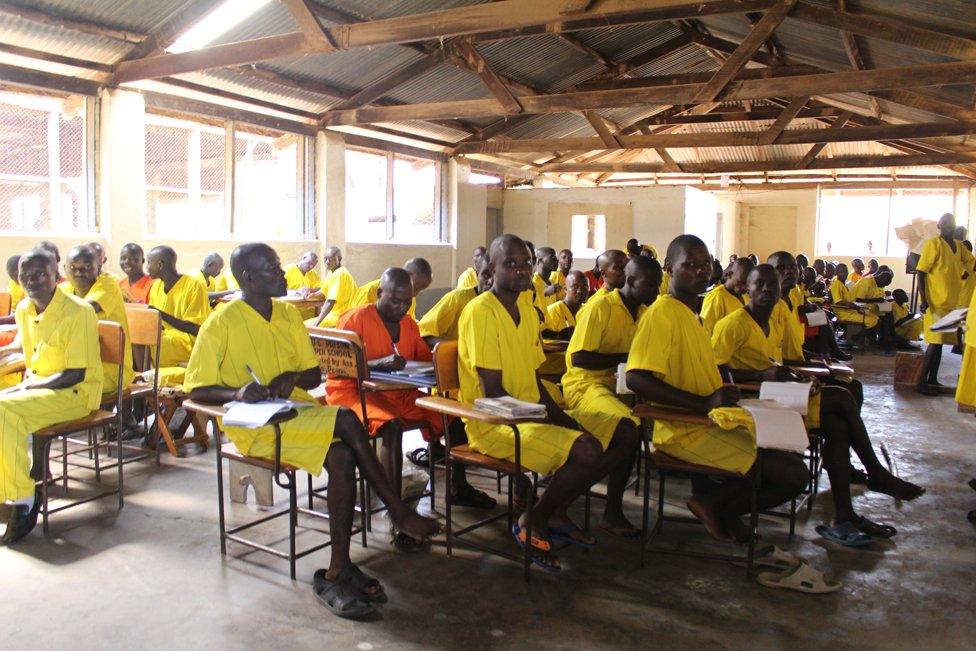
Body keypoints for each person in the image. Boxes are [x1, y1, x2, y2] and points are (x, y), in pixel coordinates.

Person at [183, 243, 439, 618]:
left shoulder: (287, 315)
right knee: (348, 419)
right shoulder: (220, 323)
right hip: (258, 425)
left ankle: (337, 567)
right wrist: (236, 391)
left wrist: (290, 378)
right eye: (272, 268)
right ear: (248, 279)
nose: (283, 273)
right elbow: (197, 389)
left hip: (296, 411)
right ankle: (398, 510)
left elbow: (312, 373)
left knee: (342, 454)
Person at [459, 234, 640, 571]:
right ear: (491, 271)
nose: (521, 269)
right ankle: (534, 520)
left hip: (528, 413)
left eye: (526, 262)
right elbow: (493, 393)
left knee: (624, 431)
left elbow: (535, 381)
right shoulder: (480, 312)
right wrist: (549, 420)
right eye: (509, 264)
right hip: (496, 423)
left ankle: (555, 511)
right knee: (586, 449)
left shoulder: (527, 310)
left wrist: (564, 420)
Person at [712, 264, 924, 544]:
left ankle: (845, 513)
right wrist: (760, 375)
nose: (766, 290)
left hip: (773, 390)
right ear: (746, 289)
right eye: (758, 284)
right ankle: (875, 473)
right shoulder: (733, 324)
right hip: (749, 398)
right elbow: (715, 372)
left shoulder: (772, 318)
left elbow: (776, 360)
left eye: (771, 285)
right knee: (842, 397)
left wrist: (799, 371)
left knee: (837, 424)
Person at [625, 235, 807, 543]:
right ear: (669, 268)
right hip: (685, 430)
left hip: (710, 419)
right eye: (690, 265)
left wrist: (723, 393)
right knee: (794, 475)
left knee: (784, 446)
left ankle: (717, 504)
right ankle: (717, 506)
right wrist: (704, 403)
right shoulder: (661, 314)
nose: (701, 271)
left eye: (705, 264)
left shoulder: (690, 312)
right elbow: (636, 379)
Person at [327, 269, 493, 548]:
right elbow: (336, 365)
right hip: (354, 393)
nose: (401, 308)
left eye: (407, 302)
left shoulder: (408, 324)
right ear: (380, 293)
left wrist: (440, 359)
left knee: (452, 416)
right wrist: (377, 364)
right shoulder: (355, 319)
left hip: (399, 392)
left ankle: (458, 487)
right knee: (391, 428)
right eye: (395, 300)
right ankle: (398, 516)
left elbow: (422, 357)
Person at [0, 249, 102, 544]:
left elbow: (75, 374)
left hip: (75, 394)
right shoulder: (24, 310)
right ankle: (8, 489)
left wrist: (26, 388)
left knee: (5, 411)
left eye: (40, 274)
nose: (32, 281)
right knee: (5, 409)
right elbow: (30, 356)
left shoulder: (77, 311)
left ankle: (23, 497)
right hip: (40, 390)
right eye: (25, 275)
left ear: (56, 276)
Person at [563, 256, 662, 538]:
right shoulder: (600, 307)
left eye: (659, 285)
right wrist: (623, 359)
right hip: (586, 384)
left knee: (644, 424)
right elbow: (579, 358)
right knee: (627, 428)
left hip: (621, 386)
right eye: (651, 285)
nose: (656, 291)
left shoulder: (645, 312)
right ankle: (574, 498)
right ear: (630, 281)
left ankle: (610, 508)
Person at [65, 245, 135, 393]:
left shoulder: (107, 284)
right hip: (76, 365)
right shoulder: (64, 289)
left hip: (111, 369)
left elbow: (85, 310)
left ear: (99, 268)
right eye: (73, 266)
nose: (79, 271)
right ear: (65, 269)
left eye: (87, 266)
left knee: (58, 390)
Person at [916, 213, 969, 395]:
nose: (949, 226)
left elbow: (971, 264)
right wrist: (924, 299)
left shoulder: (960, 247)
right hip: (935, 303)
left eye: (952, 223)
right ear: (939, 225)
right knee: (935, 342)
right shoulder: (933, 244)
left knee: (942, 343)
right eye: (946, 223)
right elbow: (921, 272)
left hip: (951, 303)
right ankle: (921, 382)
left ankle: (932, 379)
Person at [146, 245, 211, 372]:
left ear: (160, 265)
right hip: (165, 336)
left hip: (187, 342)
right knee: (136, 336)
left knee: (151, 342)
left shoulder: (194, 286)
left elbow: (196, 329)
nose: (146, 267)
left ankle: (145, 377)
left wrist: (160, 314)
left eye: (149, 263)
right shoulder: (156, 287)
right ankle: (142, 378)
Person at [419, 259, 492, 348]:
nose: (491, 281)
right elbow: (422, 331)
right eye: (485, 275)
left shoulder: (508, 305)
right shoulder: (457, 299)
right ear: (476, 275)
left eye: (496, 276)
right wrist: (454, 349)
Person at [348, 258, 431, 320]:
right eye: (415, 288)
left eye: (420, 290)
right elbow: (356, 323)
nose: (414, 295)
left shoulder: (409, 298)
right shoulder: (369, 291)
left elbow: (407, 322)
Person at [700, 257, 752, 334]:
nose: (745, 287)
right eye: (741, 282)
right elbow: (705, 331)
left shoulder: (745, 296)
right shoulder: (716, 297)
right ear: (730, 274)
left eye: (748, 284)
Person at [309, 246, 357, 328]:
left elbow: (330, 302)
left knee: (303, 326)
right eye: (325, 259)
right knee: (304, 324)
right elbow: (324, 291)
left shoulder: (339, 274)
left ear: (339, 259)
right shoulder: (332, 272)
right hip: (335, 314)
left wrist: (316, 324)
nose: (327, 262)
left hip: (341, 315)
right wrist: (310, 295)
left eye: (330, 259)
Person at [542, 270, 587, 340]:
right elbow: (545, 341)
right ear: (565, 289)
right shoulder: (553, 311)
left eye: (585, 287)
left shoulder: (587, 310)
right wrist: (558, 336)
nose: (580, 291)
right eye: (575, 287)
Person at [531, 246, 560, 312]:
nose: (557, 260)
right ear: (539, 260)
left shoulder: (551, 282)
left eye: (556, 258)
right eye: (553, 257)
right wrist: (544, 292)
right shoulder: (534, 282)